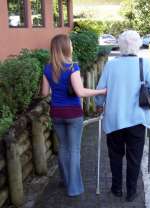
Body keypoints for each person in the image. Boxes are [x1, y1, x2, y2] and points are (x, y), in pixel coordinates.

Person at [95, 30, 150, 202]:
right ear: (138, 44)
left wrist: (98, 104)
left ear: (120, 45)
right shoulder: (145, 63)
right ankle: (132, 192)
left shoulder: (111, 65)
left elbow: (100, 90)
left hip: (115, 119)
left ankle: (116, 188)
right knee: (135, 158)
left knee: (115, 155)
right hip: (137, 119)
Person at [41, 34, 106, 197]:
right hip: (73, 113)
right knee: (74, 149)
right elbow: (81, 92)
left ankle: (65, 180)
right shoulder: (72, 67)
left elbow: (44, 93)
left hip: (56, 112)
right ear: (66, 47)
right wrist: (103, 91)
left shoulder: (48, 68)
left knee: (63, 147)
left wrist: (56, 88)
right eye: (70, 44)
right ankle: (74, 188)